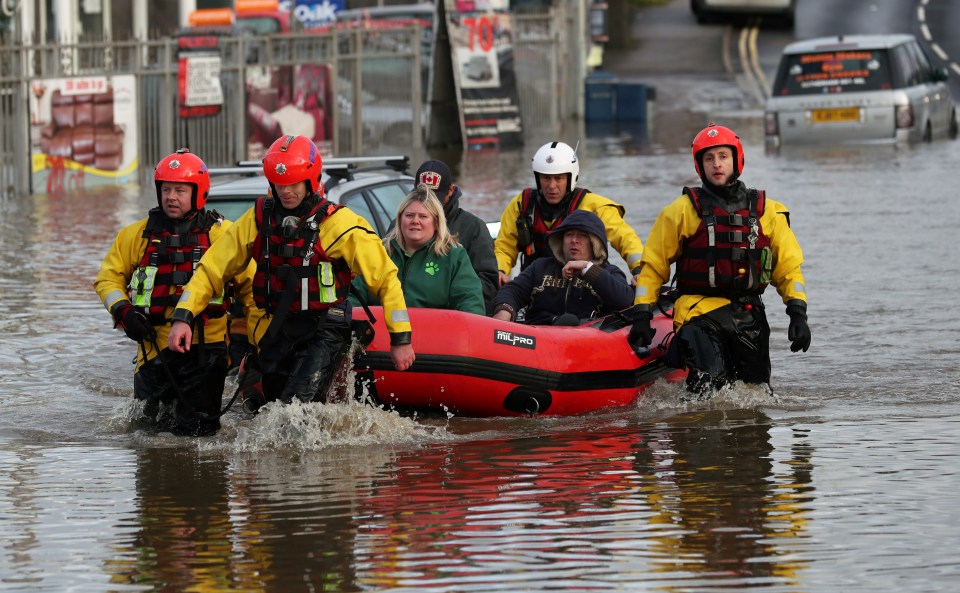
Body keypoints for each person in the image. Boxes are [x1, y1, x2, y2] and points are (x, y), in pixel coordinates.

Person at [167, 135, 415, 411]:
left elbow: (386, 281)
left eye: (294, 184)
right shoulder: (257, 219)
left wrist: (401, 338)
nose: (286, 192)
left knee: (295, 411)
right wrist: (183, 316)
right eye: (280, 185)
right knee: (274, 410)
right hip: (276, 330)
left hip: (324, 329)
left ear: (311, 181)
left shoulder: (343, 224)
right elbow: (212, 269)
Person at [627, 123, 811, 397]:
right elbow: (653, 267)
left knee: (755, 393)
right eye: (709, 158)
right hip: (698, 312)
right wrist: (642, 314)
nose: (717, 164)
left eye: (723, 156)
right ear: (699, 165)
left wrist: (797, 313)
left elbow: (788, 268)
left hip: (748, 315)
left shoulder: (767, 212)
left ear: (737, 159)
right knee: (710, 390)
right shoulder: (680, 211)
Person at [93, 149, 255, 436]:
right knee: (146, 436)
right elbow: (107, 279)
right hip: (152, 350)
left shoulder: (223, 236)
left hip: (206, 350)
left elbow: (252, 290)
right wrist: (123, 310)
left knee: (199, 436)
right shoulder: (135, 236)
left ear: (199, 193)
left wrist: (256, 342)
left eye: (180, 190)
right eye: (166, 189)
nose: (171, 197)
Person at [494, 141, 645, 286]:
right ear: (538, 179)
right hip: (536, 283)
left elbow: (625, 239)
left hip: (581, 284)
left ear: (571, 178)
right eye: (546, 178)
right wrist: (500, 271)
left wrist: (639, 270)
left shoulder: (594, 206)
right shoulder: (522, 205)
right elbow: (504, 246)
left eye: (558, 178)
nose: (552, 186)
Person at [351, 185, 486, 315]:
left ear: (436, 223)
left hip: (436, 335)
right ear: (399, 219)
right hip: (383, 334)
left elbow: (471, 304)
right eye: (409, 215)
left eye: (423, 216)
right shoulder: (379, 253)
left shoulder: (454, 256)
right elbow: (353, 296)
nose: (415, 221)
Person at [492, 209, 633, 325]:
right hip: (536, 339)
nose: (574, 240)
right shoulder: (540, 266)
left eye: (582, 236)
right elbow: (512, 291)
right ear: (560, 240)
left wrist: (587, 268)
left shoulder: (609, 272)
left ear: (595, 244)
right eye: (569, 235)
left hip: (588, 343)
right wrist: (504, 310)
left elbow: (625, 300)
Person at [414, 159, 499, 313]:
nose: (430, 204)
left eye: (435, 198)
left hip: (455, 317)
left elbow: (488, 283)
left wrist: (444, 302)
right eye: (423, 197)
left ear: (451, 191)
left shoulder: (474, 228)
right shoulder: (399, 228)